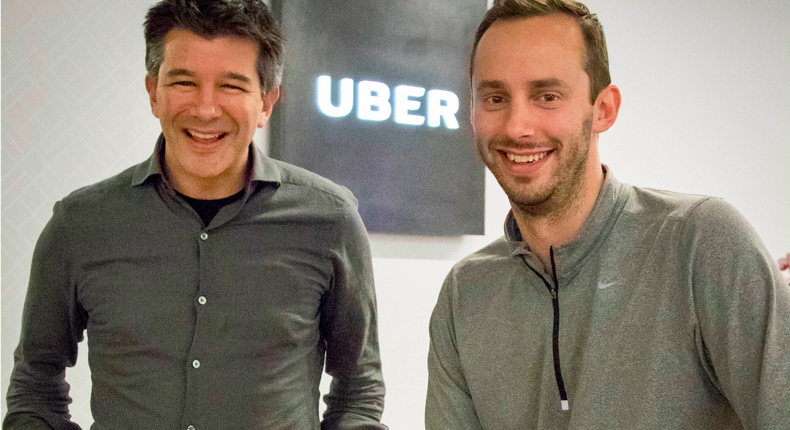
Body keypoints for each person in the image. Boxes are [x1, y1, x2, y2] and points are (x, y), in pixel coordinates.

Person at [4, 1, 387, 429]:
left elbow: (358, 390)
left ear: (266, 102)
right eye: (184, 82)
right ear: (154, 92)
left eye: (232, 86)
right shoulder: (80, 225)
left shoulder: (329, 221)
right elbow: (35, 389)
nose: (205, 109)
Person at [425, 0, 790, 429]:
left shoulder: (702, 243)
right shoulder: (464, 293)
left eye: (547, 96)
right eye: (494, 97)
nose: (516, 125)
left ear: (604, 109)